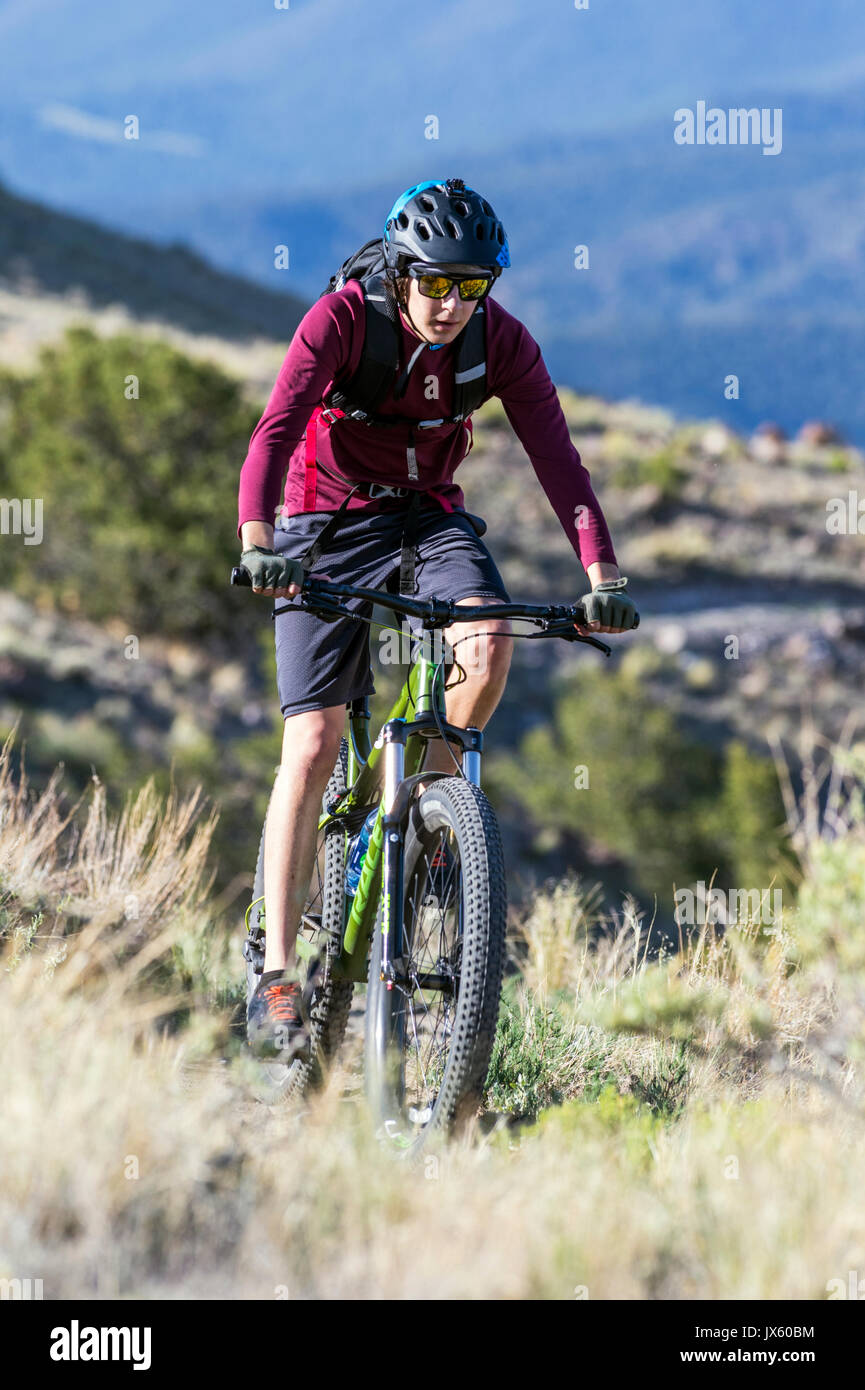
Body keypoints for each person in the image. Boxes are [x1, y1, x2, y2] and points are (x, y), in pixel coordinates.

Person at [237, 178, 637, 1057]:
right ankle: (272, 969)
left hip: (427, 517)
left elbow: (559, 464)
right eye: (436, 283)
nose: (453, 304)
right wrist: (259, 540)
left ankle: (426, 819)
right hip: (320, 521)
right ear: (401, 272)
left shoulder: (501, 344)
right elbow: (274, 431)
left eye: (472, 286)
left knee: (487, 643)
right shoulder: (342, 321)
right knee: (311, 741)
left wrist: (601, 576)